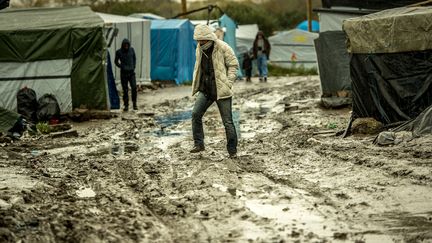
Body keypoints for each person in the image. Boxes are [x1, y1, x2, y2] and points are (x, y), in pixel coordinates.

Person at [190, 24, 239, 157]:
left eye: (202, 40)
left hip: (222, 90)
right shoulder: (199, 49)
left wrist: (228, 83)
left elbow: (233, 65)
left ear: (208, 38)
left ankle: (232, 150)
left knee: (228, 122)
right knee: (195, 114)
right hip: (206, 90)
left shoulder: (223, 47)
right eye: (198, 40)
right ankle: (199, 144)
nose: (200, 42)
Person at [115, 39, 137, 111]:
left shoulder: (132, 50)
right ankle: (126, 105)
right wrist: (121, 66)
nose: (126, 46)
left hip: (131, 73)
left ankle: (134, 103)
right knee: (125, 90)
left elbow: (134, 58)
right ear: (123, 45)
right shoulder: (119, 52)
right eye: (125, 45)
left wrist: (133, 66)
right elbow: (116, 61)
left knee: (134, 87)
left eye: (127, 45)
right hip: (124, 74)